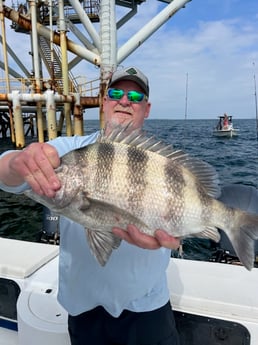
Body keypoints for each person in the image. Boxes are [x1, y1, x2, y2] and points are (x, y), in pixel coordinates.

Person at [0, 66, 181, 345]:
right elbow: (10, 176)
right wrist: (16, 162)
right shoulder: (70, 149)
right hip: (83, 306)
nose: (124, 100)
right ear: (104, 101)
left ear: (147, 108)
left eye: (135, 96)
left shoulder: (162, 163)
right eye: (116, 93)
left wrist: (186, 228)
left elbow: (181, 217)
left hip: (146, 306)